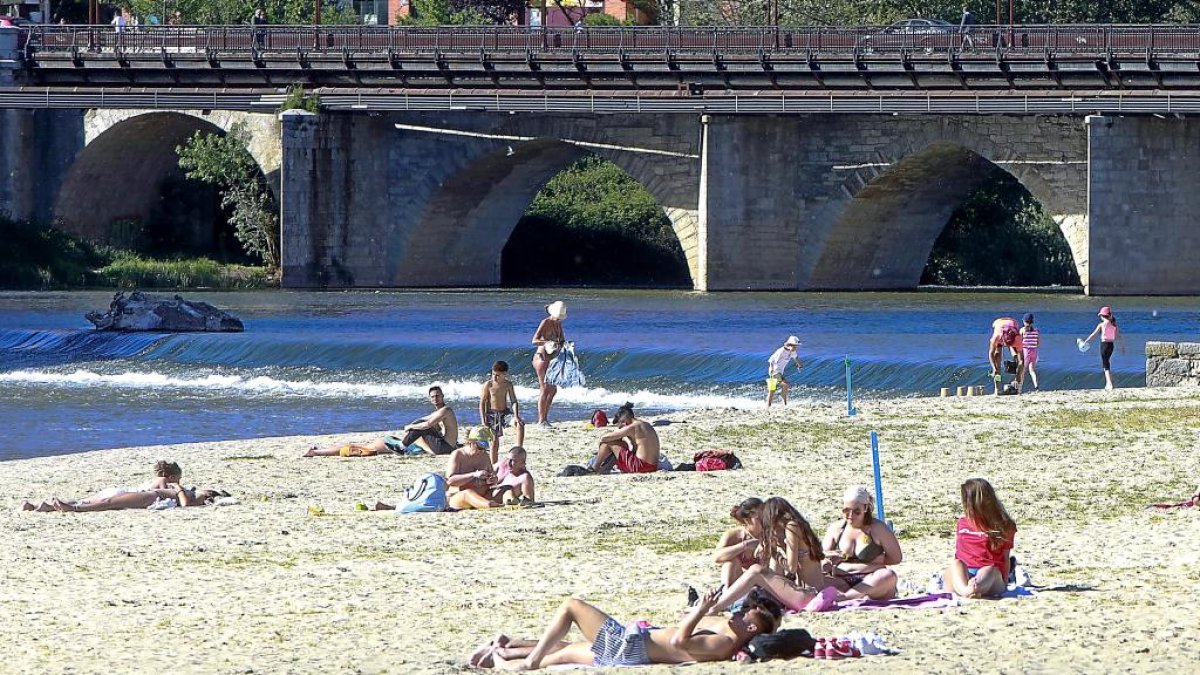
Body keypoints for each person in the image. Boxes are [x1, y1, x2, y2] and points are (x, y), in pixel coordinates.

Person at [471, 590, 780, 670]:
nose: (739, 611)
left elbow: (680, 639)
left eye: (746, 611)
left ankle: (525, 662)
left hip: (630, 647)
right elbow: (703, 618)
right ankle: (506, 651)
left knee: (572, 606)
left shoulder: (723, 644)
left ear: (752, 625)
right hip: (631, 649)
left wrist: (699, 611)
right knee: (564, 652)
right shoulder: (726, 629)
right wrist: (704, 606)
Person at [709, 496, 832, 613]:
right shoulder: (795, 526)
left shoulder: (791, 526)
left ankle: (715, 608)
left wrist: (773, 552)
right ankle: (721, 604)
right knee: (755, 576)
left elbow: (791, 567)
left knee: (756, 571)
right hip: (805, 592)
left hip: (809, 595)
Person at [303, 385, 458, 457]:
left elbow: (428, 424)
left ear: (443, 396)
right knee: (421, 424)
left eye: (437, 396)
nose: (435, 399)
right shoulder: (440, 414)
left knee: (355, 447)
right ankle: (317, 451)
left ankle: (316, 451)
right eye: (432, 397)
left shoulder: (445, 411)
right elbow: (428, 420)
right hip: (435, 446)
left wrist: (410, 426)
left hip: (437, 448)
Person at [821, 486, 903, 600]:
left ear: (865, 508)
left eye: (856, 511)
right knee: (813, 579)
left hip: (870, 580)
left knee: (888, 576)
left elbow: (896, 557)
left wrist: (879, 559)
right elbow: (820, 557)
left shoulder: (878, 528)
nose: (850, 515)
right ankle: (851, 595)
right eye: (846, 510)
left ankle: (845, 597)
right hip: (841, 581)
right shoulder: (836, 528)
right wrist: (829, 558)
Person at [945, 478, 1017, 599]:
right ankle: (968, 591)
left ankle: (972, 589)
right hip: (965, 574)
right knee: (955, 564)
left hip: (989, 577)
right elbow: (959, 552)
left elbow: (1005, 558)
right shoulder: (962, 523)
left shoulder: (1004, 526)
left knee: (989, 570)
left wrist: (1004, 583)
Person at [24, 486, 228, 512]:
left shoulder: (199, 496)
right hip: (149, 495)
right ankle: (46, 506)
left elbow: (185, 505)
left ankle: (48, 507)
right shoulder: (195, 493)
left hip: (151, 496)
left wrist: (179, 488)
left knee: (108, 503)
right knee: (105, 502)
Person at [712, 497, 765, 589]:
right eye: (759, 517)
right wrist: (745, 545)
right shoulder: (733, 535)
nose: (764, 520)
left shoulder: (770, 535)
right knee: (731, 563)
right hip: (739, 582)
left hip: (764, 581)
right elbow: (716, 557)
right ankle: (726, 596)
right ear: (747, 520)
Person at [593, 403, 660, 474]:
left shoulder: (632, 427)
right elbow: (636, 451)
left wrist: (618, 436)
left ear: (624, 423)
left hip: (641, 467)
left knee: (609, 442)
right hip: (653, 467)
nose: (621, 429)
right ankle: (604, 469)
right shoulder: (645, 424)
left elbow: (604, 438)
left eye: (620, 427)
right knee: (623, 445)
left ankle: (595, 468)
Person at [480, 361, 525, 464]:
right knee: (494, 441)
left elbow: (514, 401)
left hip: (505, 413)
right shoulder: (488, 384)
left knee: (520, 425)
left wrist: (516, 416)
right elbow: (482, 403)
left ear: (504, 374)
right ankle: (493, 465)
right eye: (493, 374)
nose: (494, 377)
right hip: (492, 414)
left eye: (497, 375)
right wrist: (483, 421)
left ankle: (518, 452)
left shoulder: (508, 384)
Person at [446, 427, 501, 510]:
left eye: (485, 447)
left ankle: (510, 500)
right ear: (470, 441)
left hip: (482, 494)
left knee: (505, 488)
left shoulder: (484, 456)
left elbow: (492, 479)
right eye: (480, 447)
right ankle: (489, 505)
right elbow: (451, 481)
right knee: (468, 493)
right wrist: (474, 475)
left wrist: (492, 480)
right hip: (460, 495)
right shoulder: (458, 455)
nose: (482, 450)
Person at [531, 301, 567, 427]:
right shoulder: (545, 322)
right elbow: (534, 340)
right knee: (545, 389)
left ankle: (545, 418)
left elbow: (562, 340)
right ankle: (541, 420)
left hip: (552, 358)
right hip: (541, 357)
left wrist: (561, 345)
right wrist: (547, 343)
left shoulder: (558, 324)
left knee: (553, 389)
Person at [1082, 306, 1124, 390]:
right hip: (1111, 345)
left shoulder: (1101, 325)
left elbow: (1093, 334)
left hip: (1104, 345)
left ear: (1102, 316)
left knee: (1105, 364)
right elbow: (1118, 336)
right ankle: (1110, 380)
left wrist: (1086, 341)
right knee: (1107, 362)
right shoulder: (1114, 325)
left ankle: (1109, 383)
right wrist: (1122, 347)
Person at [988, 317, 1023, 395]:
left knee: (1018, 360)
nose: (1006, 346)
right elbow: (990, 354)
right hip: (998, 323)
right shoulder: (997, 336)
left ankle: (1018, 386)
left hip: (1013, 323)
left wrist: (1018, 376)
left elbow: (1022, 360)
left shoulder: (1017, 338)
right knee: (997, 361)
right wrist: (994, 368)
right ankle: (997, 389)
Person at [766, 335, 802, 407]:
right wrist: (772, 371)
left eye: (796, 346)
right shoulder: (781, 351)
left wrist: (800, 366)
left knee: (772, 390)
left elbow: (796, 358)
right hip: (775, 371)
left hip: (780, 372)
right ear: (789, 345)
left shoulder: (792, 352)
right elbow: (771, 360)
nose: (796, 348)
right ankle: (784, 404)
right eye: (794, 346)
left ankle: (770, 405)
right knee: (785, 385)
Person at [1020, 313, 1041, 391]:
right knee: (1032, 370)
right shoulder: (1036, 331)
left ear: (1025, 321)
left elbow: (1020, 342)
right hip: (1034, 351)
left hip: (1026, 351)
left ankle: (1020, 387)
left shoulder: (1022, 330)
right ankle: (1036, 386)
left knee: (1022, 370)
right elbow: (1038, 343)